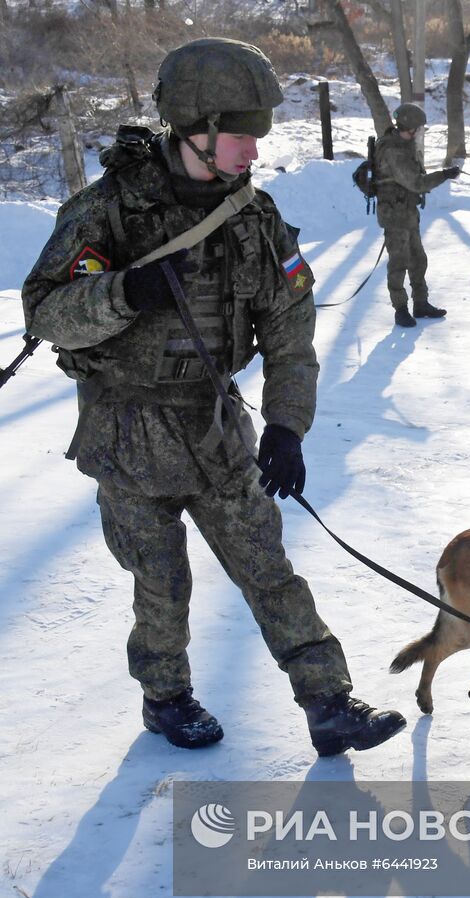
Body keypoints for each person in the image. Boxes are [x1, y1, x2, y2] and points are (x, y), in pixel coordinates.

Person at [21, 37, 405, 756]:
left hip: (213, 426)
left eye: (255, 137)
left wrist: (287, 427)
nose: (251, 153)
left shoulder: (254, 222)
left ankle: (328, 702)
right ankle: (166, 698)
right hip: (127, 429)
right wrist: (122, 290)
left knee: (267, 565)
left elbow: (291, 336)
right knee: (161, 582)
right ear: (193, 128)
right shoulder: (108, 212)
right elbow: (44, 311)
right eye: (238, 136)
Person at [373, 103, 460, 328]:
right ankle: (400, 309)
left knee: (418, 259)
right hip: (395, 215)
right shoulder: (393, 150)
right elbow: (416, 183)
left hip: (407, 212)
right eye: (418, 128)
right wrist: (444, 175)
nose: (419, 132)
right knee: (399, 262)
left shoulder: (405, 145)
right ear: (409, 127)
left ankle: (420, 303)